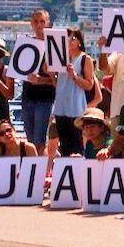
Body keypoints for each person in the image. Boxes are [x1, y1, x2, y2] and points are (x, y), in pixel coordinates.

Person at [51, 28, 99, 158]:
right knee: (64, 146)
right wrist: (51, 74)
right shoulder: (60, 59)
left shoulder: (85, 59)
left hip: (76, 108)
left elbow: (89, 85)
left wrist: (74, 75)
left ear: (79, 41)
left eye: (73, 38)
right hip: (61, 108)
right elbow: (59, 84)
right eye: (67, 38)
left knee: (77, 146)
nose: (70, 41)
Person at [19, 8, 57, 150]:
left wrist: (41, 79)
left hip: (45, 99)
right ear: (31, 23)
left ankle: (39, 170)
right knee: (30, 140)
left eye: (42, 21)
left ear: (48, 23)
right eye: (36, 21)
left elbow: (59, 80)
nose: (39, 25)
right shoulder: (26, 44)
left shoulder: (54, 47)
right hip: (27, 97)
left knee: (39, 141)